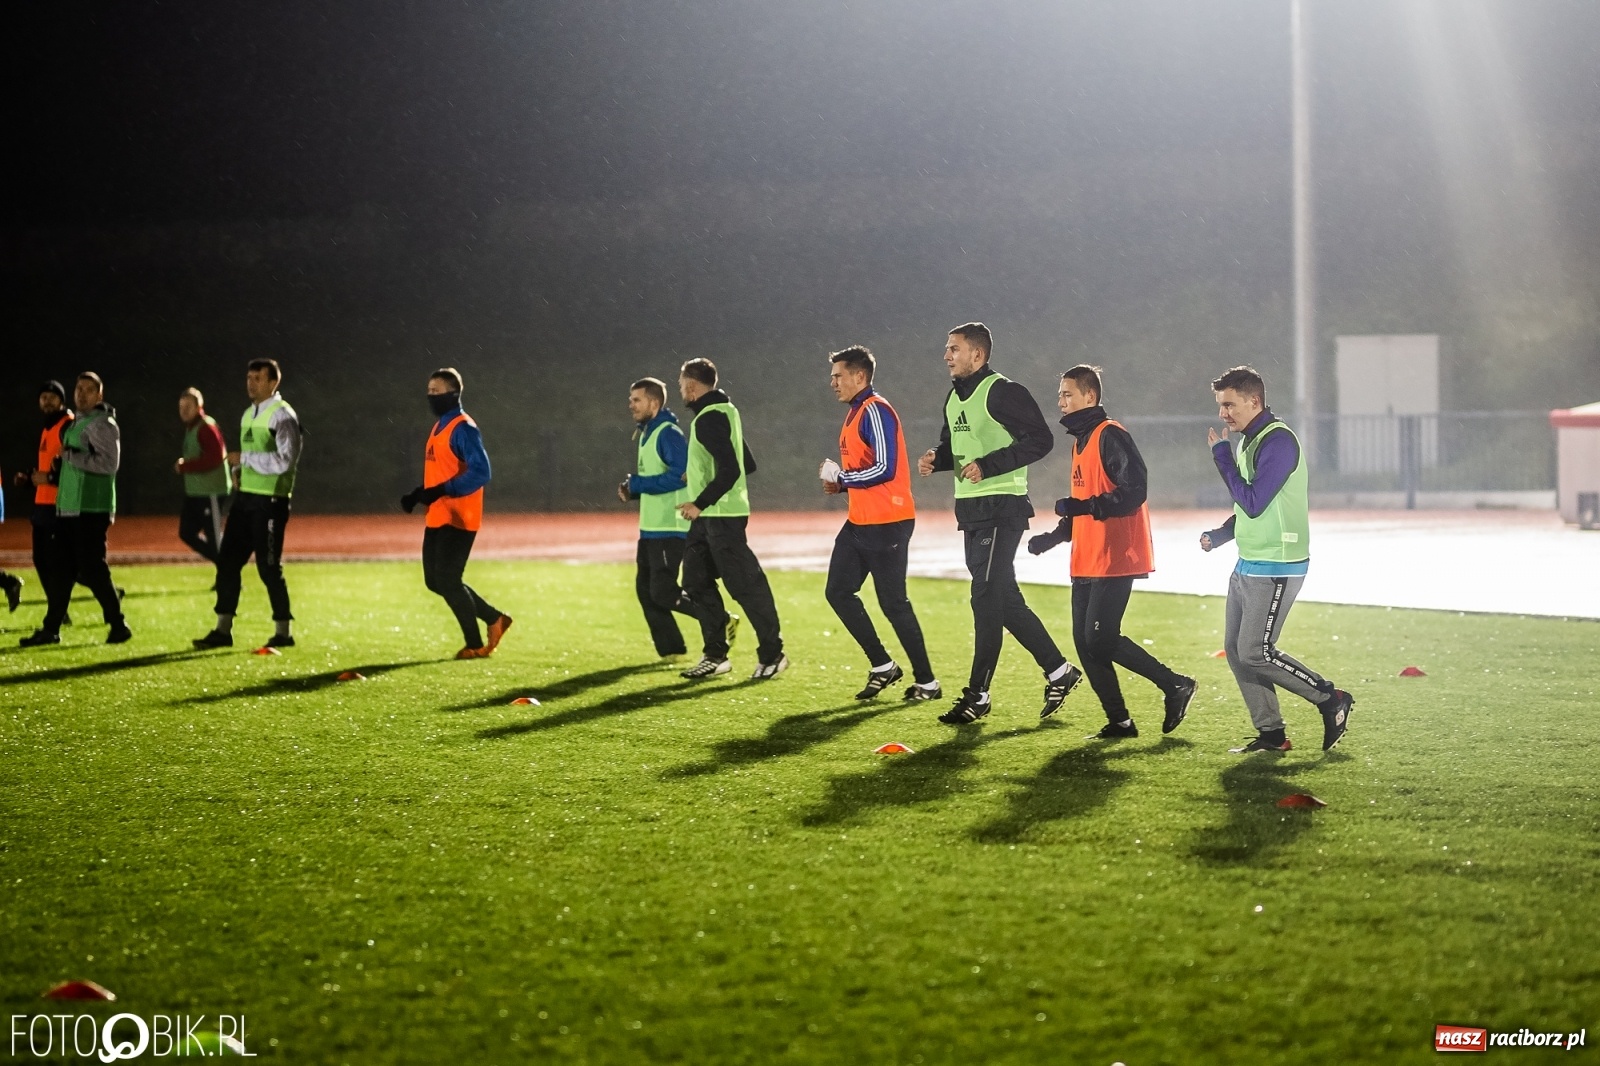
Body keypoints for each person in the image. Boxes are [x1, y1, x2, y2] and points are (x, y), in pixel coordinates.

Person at [916, 322, 1082, 724]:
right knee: (1004, 601)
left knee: (985, 598)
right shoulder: (954, 398)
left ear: (978, 355)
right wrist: (936, 459)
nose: (946, 355)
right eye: (946, 348)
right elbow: (953, 446)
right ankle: (1060, 671)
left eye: (954, 348)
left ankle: (978, 695)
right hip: (971, 512)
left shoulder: (1004, 391)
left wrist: (989, 466)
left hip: (1003, 508)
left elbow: (1040, 439)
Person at [1028, 365, 1196, 738]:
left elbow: (1135, 490)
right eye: (1060, 395)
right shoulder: (1080, 440)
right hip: (1087, 558)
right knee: (1086, 644)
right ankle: (1119, 721)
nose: (1061, 401)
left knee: (1100, 639)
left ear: (1090, 397)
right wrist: (1054, 537)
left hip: (1116, 555)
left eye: (1067, 394)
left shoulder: (1110, 435)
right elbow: (1081, 502)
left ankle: (1175, 685)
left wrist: (1082, 509)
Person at [1200, 365, 1353, 752]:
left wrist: (1221, 459)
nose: (1223, 414)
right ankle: (1272, 734)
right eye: (1221, 405)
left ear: (1255, 401)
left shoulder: (1279, 441)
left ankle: (1330, 698)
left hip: (1278, 564)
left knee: (1256, 651)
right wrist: (1221, 534)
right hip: (1249, 561)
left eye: (1230, 404)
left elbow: (1253, 501)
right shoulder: (1249, 442)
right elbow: (1251, 505)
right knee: (1237, 653)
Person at [820, 345, 939, 701]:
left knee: (894, 604)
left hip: (888, 522)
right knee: (838, 592)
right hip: (860, 521)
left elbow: (885, 468)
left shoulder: (875, 409)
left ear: (860, 376)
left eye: (839, 375)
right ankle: (883, 665)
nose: (833, 382)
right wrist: (841, 481)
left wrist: (843, 478)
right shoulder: (856, 412)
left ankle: (928, 683)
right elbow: (865, 468)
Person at [675, 358, 787, 680]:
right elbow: (746, 463)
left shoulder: (709, 418)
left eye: (682, 385)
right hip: (710, 518)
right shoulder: (725, 411)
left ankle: (772, 654)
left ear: (693, 386)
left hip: (722, 517)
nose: (682, 390)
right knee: (695, 582)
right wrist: (696, 475)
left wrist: (700, 501)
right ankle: (715, 656)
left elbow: (732, 469)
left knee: (746, 587)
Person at [400, 368, 512, 659]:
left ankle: (475, 645)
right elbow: (442, 471)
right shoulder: (439, 427)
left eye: (436, 392)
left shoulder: (464, 427)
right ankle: (494, 618)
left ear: (453, 394)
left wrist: (442, 491)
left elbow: (482, 472)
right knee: (434, 581)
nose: (431, 396)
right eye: (429, 391)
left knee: (448, 579)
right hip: (439, 515)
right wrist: (419, 493)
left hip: (459, 517)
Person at [194, 358, 302, 650]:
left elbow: (285, 460)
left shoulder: (283, 416)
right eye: (248, 377)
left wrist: (245, 460)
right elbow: (248, 458)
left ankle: (284, 632)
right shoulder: (247, 415)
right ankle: (222, 630)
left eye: (257, 378)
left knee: (268, 568)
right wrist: (239, 472)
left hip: (270, 502)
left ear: (272, 382)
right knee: (228, 562)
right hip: (245, 501)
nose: (250, 383)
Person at [22, 372, 130, 646]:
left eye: (88, 390)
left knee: (92, 568)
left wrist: (70, 456)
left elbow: (108, 464)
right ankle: (51, 629)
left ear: (99, 395)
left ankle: (118, 624)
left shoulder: (104, 423)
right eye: (78, 389)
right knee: (63, 570)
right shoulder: (79, 423)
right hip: (71, 507)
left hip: (91, 507)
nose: (81, 394)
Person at [617, 376, 707, 659]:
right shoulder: (647, 431)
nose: (630, 405)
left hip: (670, 527)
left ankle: (719, 618)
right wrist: (633, 488)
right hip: (651, 528)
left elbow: (680, 475)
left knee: (663, 592)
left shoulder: (668, 432)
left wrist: (638, 485)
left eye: (636, 400)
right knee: (646, 591)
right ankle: (672, 650)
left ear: (654, 403)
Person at [13, 382, 74, 633]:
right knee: (43, 560)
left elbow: (72, 468)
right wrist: (29, 479)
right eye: (43, 397)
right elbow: (48, 467)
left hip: (60, 504)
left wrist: (49, 479)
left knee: (61, 563)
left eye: (52, 397)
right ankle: (60, 609)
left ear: (61, 400)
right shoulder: (48, 427)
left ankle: (61, 611)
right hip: (43, 504)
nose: (46, 402)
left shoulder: (67, 425)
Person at [174, 387, 230, 563]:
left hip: (210, 491)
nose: (183, 411)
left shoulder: (206, 426)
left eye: (188, 406)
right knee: (186, 533)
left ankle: (227, 572)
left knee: (214, 537)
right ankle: (224, 565)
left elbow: (215, 459)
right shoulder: (193, 427)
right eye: (181, 407)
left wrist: (186, 466)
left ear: (199, 406)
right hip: (197, 492)